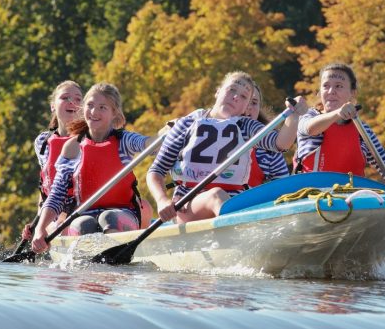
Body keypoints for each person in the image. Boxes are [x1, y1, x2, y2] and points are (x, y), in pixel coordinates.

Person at [147, 71, 307, 223]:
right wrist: (162, 200)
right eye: (231, 90)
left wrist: (294, 115)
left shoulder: (246, 127)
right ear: (218, 92)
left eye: (244, 97)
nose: (236, 97)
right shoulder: (186, 124)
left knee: (225, 198)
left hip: (234, 203)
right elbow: (156, 170)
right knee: (216, 195)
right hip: (187, 205)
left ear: (246, 108)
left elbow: (281, 143)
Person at [31, 83, 158, 254]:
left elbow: (148, 145)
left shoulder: (124, 140)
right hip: (83, 214)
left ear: (114, 113)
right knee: (83, 225)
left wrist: (167, 135)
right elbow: (57, 195)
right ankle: (89, 271)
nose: (94, 112)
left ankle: (113, 264)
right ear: (83, 109)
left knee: (109, 218)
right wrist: (40, 228)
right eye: (90, 106)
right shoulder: (72, 147)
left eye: (102, 107)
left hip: (122, 213)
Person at [295, 63, 385, 198]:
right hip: (312, 196)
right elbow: (310, 129)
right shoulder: (308, 116)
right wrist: (337, 114)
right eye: (326, 86)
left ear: (352, 93)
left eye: (339, 86)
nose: (331, 91)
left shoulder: (362, 130)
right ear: (319, 92)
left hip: (353, 200)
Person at [22, 81, 83, 241]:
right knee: (55, 225)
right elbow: (46, 187)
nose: (72, 102)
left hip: (83, 206)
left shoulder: (90, 139)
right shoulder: (42, 142)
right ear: (53, 106)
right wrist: (37, 221)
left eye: (78, 99)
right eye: (65, 98)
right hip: (55, 211)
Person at [244, 82, 290, 187]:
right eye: (244, 99)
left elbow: (283, 187)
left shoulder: (270, 151)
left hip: (252, 202)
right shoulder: (211, 131)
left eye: (254, 102)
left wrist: (293, 116)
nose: (248, 107)